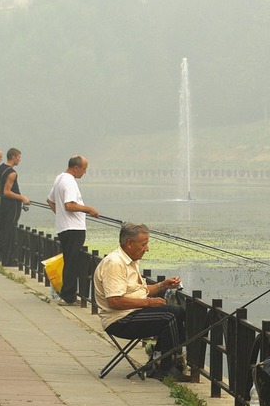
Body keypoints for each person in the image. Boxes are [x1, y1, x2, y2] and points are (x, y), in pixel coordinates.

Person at [93, 222, 190, 382]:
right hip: (119, 320)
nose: (147, 248)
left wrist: (162, 285)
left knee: (176, 312)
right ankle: (166, 368)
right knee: (172, 314)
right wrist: (149, 303)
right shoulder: (115, 263)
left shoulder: (131, 260)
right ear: (129, 243)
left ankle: (159, 362)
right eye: (143, 244)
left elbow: (140, 291)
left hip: (132, 313)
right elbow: (115, 302)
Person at [47, 155, 98, 305]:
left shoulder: (59, 178)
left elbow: (50, 200)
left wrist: (60, 216)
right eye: (84, 169)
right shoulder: (69, 181)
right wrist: (89, 209)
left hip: (64, 227)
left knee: (70, 260)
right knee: (72, 263)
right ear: (76, 168)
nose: (85, 172)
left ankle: (68, 294)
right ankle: (68, 297)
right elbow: (69, 205)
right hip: (74, 229)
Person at [0, 147, 30, 267]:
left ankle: (1, 256)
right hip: (12, 206)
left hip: (4, 204)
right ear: (14, 157)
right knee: (9, 231)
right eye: (19, 157)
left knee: (4, 229)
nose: (20, 160)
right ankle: (8, 260)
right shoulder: (12, 173)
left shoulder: (0, 169)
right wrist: (22, 198)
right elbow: (7, 192)